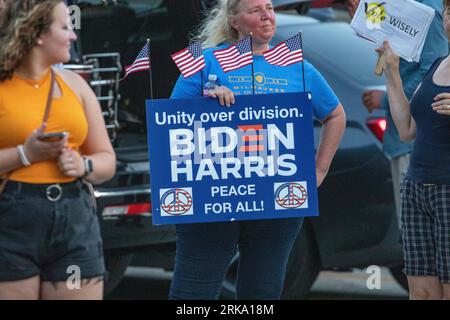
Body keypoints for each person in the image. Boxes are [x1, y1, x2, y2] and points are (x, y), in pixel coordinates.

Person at [169, 0, 346, 299]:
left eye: (270, 8)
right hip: (213, 198)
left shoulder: (298, 68)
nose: (266, 15)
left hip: (275, 201)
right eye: (255, 10)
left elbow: (335, 115)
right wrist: (205, 103)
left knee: (262, 293)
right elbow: (172, 122)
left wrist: (318, 170)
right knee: (193, 294)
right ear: (234, 21)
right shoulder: (204, 62)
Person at [0, 0, 116, 300]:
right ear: (38, 33)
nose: (73, 35)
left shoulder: (75, 84)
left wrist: (83, 166)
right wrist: (25, 154)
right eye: (65, 27)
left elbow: (106, 160)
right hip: (11, 221)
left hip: (74, 219)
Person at [348, 0, 449, 231]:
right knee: (415, 248)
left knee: (427, 241)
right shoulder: (403, 5)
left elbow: (432, 73)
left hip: (418, 147)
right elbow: (398, 48)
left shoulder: (430, 12)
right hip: (402, 138)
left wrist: (384, 100)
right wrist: (368, 26)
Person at [378, 0, 450, 300]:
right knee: (420, 292)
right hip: (417, 189)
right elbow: (407, 129)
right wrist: (392, 72)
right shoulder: (438, 64)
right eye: (449, 12)